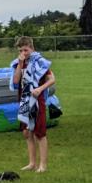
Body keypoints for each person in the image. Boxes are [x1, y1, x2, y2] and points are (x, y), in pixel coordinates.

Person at [10, 36, 56, 173]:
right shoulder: (19, 63)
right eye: (21, 50)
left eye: (26, 49)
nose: (23, 52)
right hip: (24, 101)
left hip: (37, 101)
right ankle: (32, 163)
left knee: (39, 133)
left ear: (32, 48)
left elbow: (52, 79)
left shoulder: (39, 62)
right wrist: (19, 63)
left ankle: (43, 165)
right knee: (26, 132)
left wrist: (40, 89)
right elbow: (16, 80)